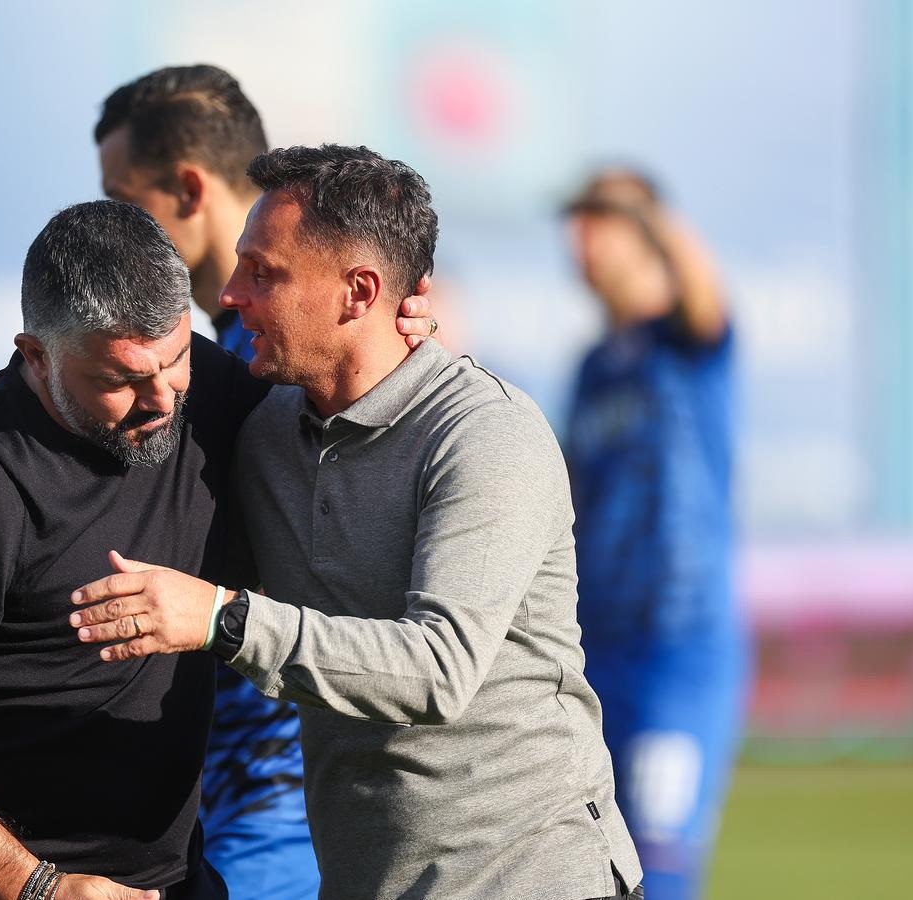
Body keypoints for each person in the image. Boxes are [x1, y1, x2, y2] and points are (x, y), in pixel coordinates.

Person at [65, 145, 644, 899]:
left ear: (359, 292)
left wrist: (226, 620)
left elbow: (437, 671)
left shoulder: (485, 434)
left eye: (263, 273)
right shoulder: (267, 432)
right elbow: (161, 565)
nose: (232, 295)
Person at [0, 200, 435, 900]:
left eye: (176, 359)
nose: (161, 400)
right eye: (119, 381)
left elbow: (345, 420)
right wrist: (39, 887)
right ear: (36, 355)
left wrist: (404, 348)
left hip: (169, 878)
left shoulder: (205, 392)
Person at [93, 64, 315, 899]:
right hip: (210, 800)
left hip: (285, 802)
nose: (113, 228)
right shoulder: (204, 353)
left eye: (122, 198)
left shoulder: (293, 362)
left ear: (188, 187)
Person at [562, 168, 747, 900]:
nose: (581, 242)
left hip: (678, 649)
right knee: (591, 866)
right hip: (595, 647)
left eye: (599, 221)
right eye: (576, 225)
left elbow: (706, 297)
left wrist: (651, 213)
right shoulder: (593, 367)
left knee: (660, 869)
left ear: (646, 232)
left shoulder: (687, 340)